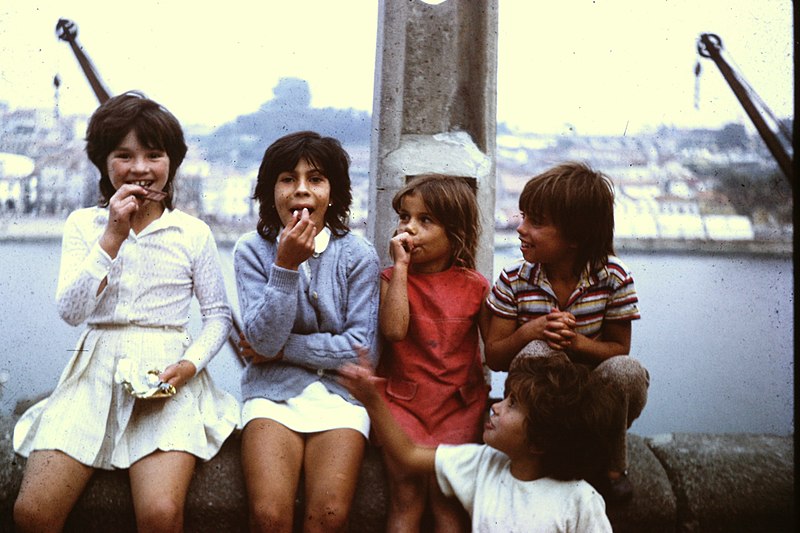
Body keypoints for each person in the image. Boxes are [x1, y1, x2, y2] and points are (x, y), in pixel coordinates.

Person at [13, 91, 239, 533]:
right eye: (124, 155)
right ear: (103, 163)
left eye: (154, 155)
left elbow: (218, 316)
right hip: (93, 370)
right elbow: (72, 311)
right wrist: (112, 237)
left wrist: (191, 365)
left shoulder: (192, 232)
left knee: (159, 514)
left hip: (166, 374)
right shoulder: (84, 225)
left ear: (172, 162)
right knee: (32, 513)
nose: (140, 168)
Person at [234, 131, 380, 533]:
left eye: (315, 179)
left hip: (339, 397)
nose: (301, 190)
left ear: (332, 192)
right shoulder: (251, 250)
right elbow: (260, 342)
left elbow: (360, 349)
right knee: (268, 518)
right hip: (271, 395)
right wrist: (284, 266)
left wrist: (283, 350)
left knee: (330, 518)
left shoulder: (357, 254)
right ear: (270, 192)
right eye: (287, 179)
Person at [483, 162, 649, 503]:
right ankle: (537, 457)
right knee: (538, 356)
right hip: (537, 402)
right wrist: (533, 331)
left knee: (626, 372)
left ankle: (613, 468)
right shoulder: (514, 280)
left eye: (536, 222)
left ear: (575, 237)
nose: (521, 228)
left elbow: (620, 350)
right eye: (524, 216)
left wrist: (577, 343)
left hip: (591, 400)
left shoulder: (613, 277)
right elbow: (495, 356)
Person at [339, 350, 614, 532]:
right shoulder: (485, 464)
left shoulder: (581, 500)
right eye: (506, 397)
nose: (496, 407)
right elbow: (408, 455)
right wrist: (372, 399)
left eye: (513, 405)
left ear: (539, 442)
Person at [377, 174, 490, 532]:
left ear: (454, 231)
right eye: (404, 218)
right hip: (405, 404)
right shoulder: (392, 278)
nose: (409, 229)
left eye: (425, 220)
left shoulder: (475, 286)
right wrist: (401, 269)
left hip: (458, 407)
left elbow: (495, 353)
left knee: (448, 501)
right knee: (405, 497)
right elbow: (394, 330)